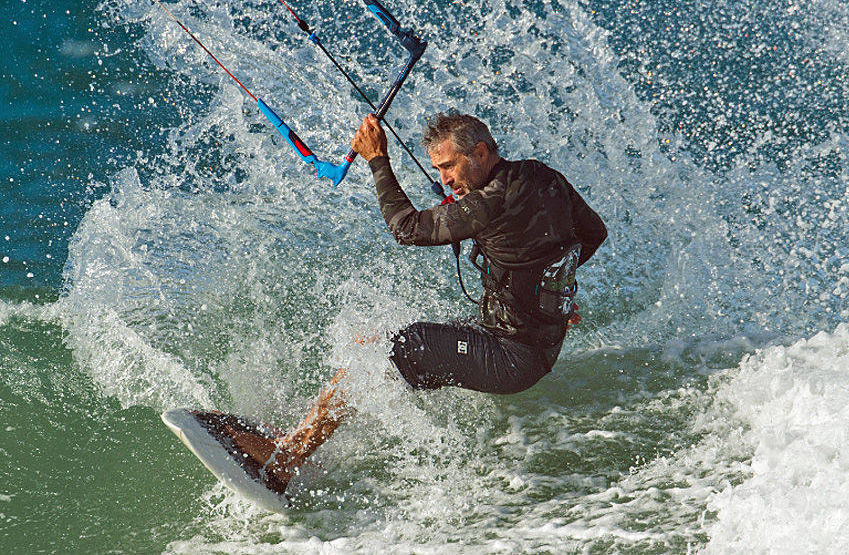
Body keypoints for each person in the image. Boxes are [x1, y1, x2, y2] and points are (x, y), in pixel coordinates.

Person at [223, 111, 607, 489]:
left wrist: (377, 159)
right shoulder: (540, 175)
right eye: (438, 169)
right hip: (528, 340)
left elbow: (405, 228)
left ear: (480, 153)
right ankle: (305, 430)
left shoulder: (489, 202)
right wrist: (550, 293)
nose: (445, 179)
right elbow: (592, 234)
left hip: (511, 354)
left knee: (387, 351)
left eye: (449, 166)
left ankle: (289, 458)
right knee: (372, 342)